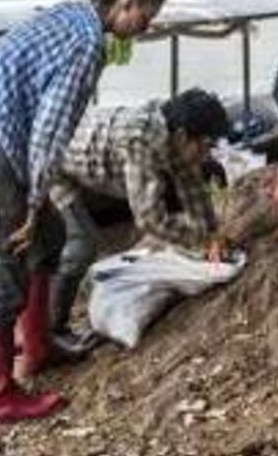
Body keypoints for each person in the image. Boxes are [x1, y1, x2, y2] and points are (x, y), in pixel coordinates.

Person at [0, 0, 167, 424]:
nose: (144, 29)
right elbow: (50, 130)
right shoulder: (86, 46)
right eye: (144, 18)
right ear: (127, 3)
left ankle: (40, 344)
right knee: (5, 260)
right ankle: (0, 396)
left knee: (48, 237)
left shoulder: (75, 14)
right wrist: (30, 200)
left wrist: (38, 204)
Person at [47, 88, 232, 351]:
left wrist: (212, 232)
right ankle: (55, 329)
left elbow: (191, 185)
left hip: (91, 160)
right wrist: (202, 240)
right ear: (182, 136)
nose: (205, 156)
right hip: (56, 164)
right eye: (204, 146)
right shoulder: (141, 142)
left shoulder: (171, 134)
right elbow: (149, 219)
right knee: (83, 244)